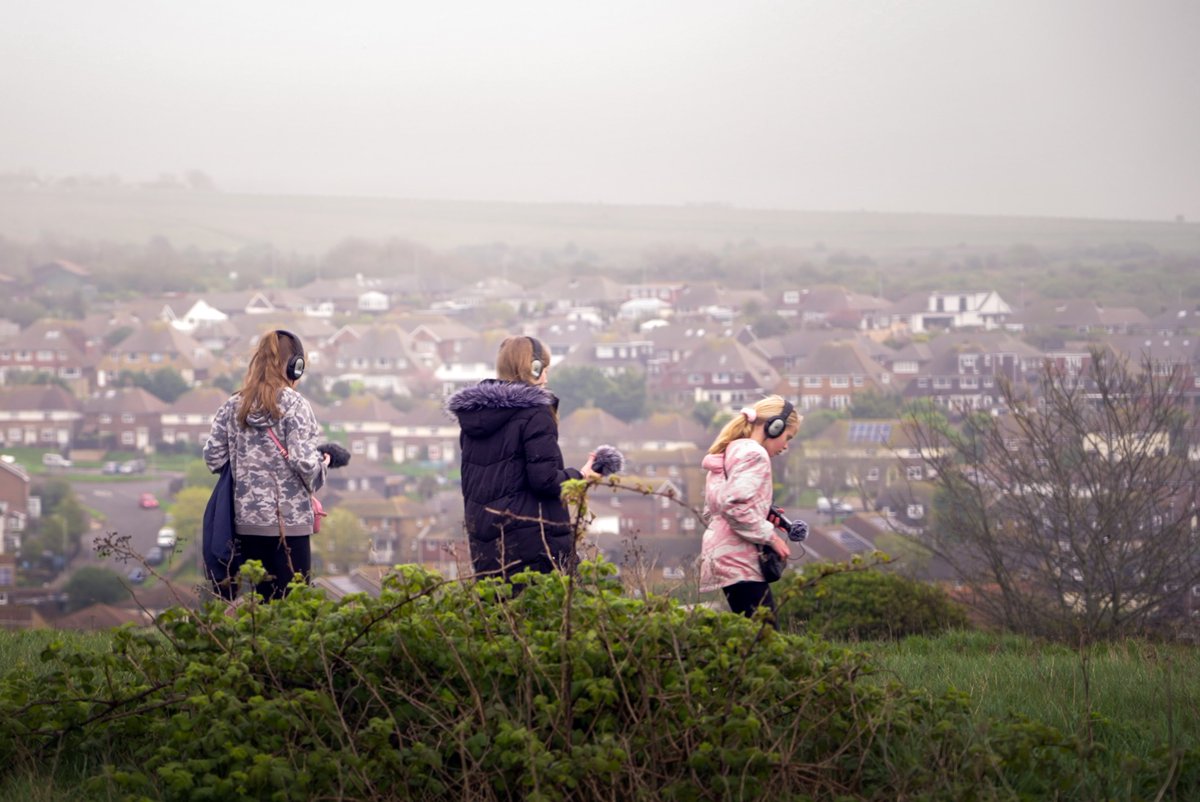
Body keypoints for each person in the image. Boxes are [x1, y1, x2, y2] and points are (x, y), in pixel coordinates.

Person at [447, 335, 598, 581]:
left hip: (487, 546)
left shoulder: (474, 417)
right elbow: (545, 480)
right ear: (532, 368)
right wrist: (581, 476)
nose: (546, 378)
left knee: (501, 614)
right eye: (543, 370)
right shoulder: (536, 413)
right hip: (533, 543)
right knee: (555, 614)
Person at [203, 329, 330, 600]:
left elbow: (213, 457)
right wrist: (324, 464)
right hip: (290, 525)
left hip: (246, 524)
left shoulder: (234, 405)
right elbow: (305, 465)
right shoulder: (296, 405)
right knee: (294, 604)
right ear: (295, 367)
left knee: (262, 601)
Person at [698, 395, 800, 624]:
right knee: (764, 639)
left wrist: (761, 513)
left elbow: (713, 510)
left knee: (750, 636)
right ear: (775, 427)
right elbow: (734, 506)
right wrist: (771, 538)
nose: (786, 445)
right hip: (741, 561)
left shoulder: (728, 453)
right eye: (788, 437)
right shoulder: (755, 454)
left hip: (724, 558)